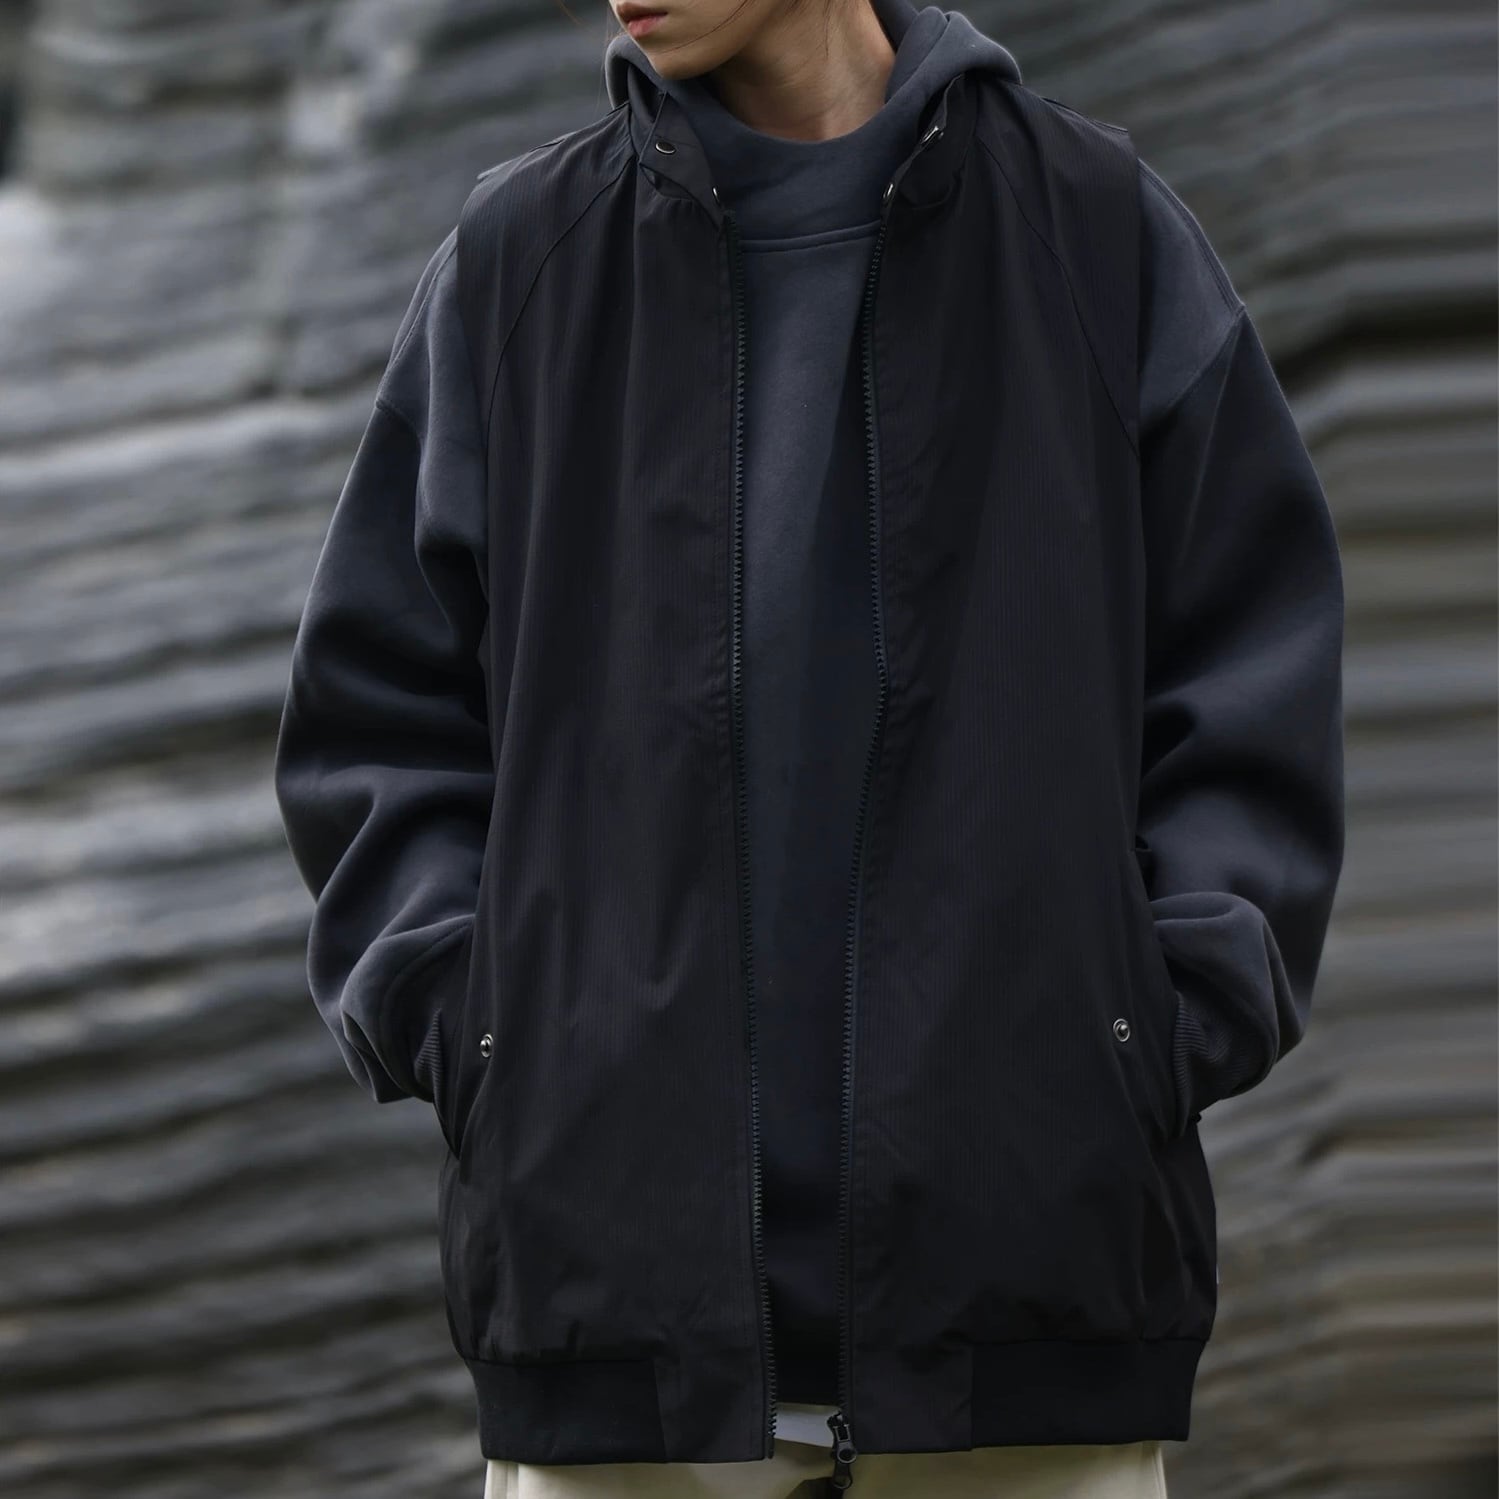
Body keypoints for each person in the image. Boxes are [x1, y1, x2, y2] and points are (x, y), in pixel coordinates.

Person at [272, 0, 1346, 1493]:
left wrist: (1155, 1032)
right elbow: (378, 715)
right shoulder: (519, 265)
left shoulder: (1099, 234)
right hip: (614, 1340)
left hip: (1029, 1328)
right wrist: (488, 1046)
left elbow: (1250, 669)